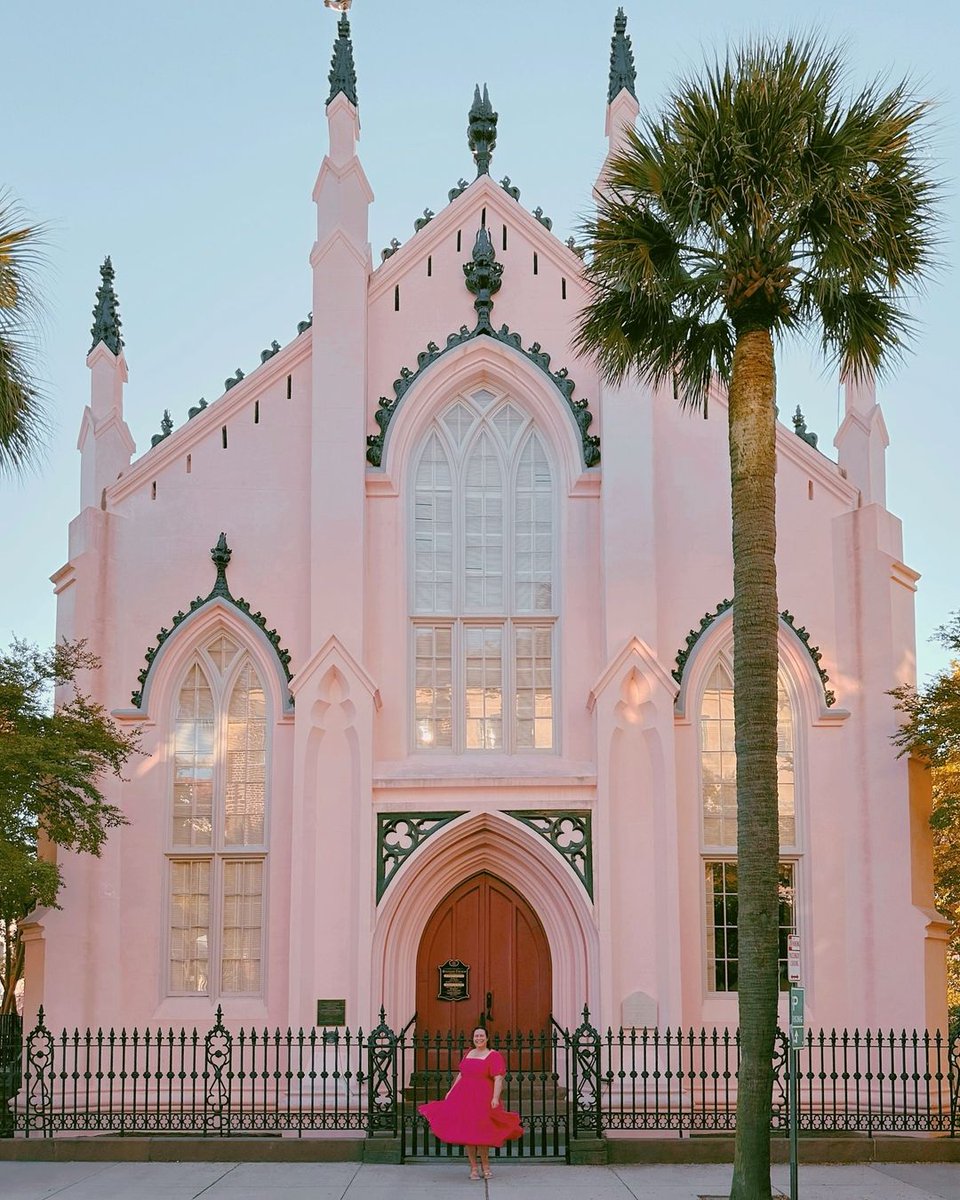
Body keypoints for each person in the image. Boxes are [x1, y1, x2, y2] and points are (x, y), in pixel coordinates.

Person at [418, 1026, 523, 1180]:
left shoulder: (493, 1055)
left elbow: (498, 1078)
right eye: (476, 1036)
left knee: (481, 1133)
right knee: (468, 1133)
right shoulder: (469, 1053)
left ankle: (485, 1166)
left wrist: (495, 1097)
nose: (478, 1038)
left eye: (481, 1036)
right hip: (464, 1097)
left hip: (483, 1098)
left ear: (487, 1038)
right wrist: (451, 1090)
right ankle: (473, 1168)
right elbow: (461, 1074)